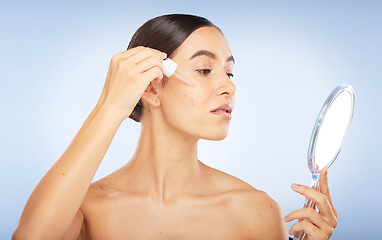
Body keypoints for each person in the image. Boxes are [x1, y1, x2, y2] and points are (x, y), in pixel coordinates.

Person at [12, 14, 337, 240]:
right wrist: (110, 105)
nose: (229, 87)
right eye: (205, 69)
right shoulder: (85, 210)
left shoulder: (256, 211)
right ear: (152, 88)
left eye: (230, 72)